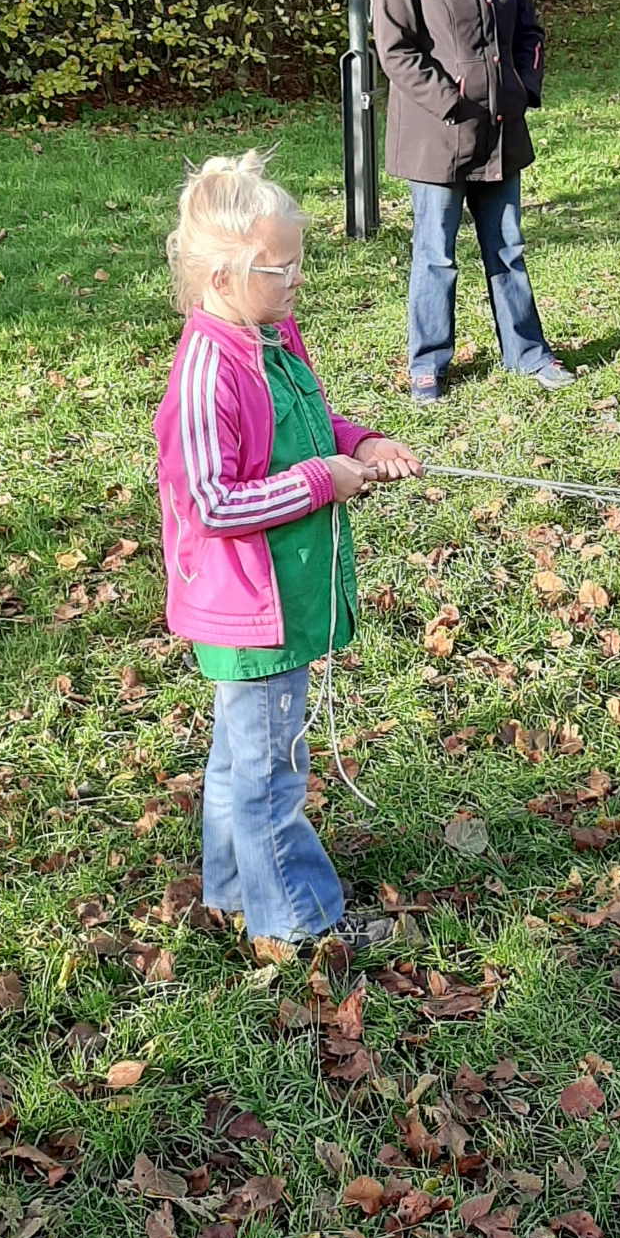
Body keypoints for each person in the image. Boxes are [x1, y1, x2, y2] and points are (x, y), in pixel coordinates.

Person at [153, 150, 421, 960]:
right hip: (247, 609)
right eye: (280, 268)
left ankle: (236, 895)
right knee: (270, 773)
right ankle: (296, 924)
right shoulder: (207, 375)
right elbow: (213, 502)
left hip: (280, 594)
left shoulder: (269, 335)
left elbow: (303, 431)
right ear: (223, 277)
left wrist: (360, 443)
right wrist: (318, 482)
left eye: (297, 261)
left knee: (242, 760)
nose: (297, 278)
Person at [372, 0, 573, 401]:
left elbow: (528, 30)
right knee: (436, 255)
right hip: (437, 138)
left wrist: (523, 87)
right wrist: (453, 103)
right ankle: (427, 365)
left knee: (507, 247)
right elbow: (396, 52)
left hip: (501, 131)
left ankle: (527, 353)